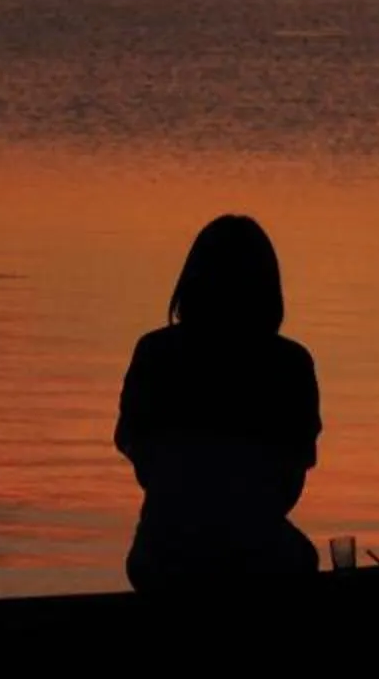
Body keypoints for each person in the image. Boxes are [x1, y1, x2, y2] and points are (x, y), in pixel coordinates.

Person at [115, 214, 321, 591]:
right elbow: (291, 476)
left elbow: (138, 450)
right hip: (258, 554)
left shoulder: (155, 353)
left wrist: (181, 493)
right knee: (303, 559)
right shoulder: (290, 365)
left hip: (163, 554)